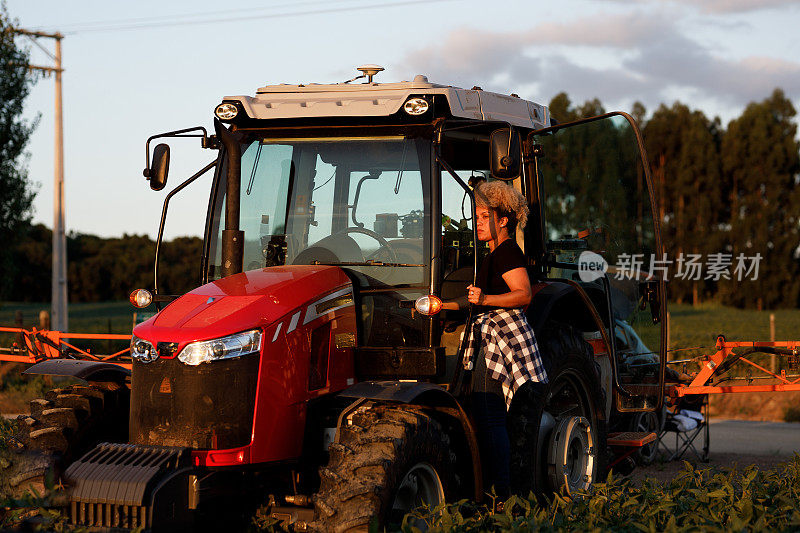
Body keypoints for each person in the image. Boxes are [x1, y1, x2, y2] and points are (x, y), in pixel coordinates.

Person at [442, 180, 548, 499]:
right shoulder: (492, 255)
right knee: (487, 415)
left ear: (503, 220)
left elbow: (523, 294)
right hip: (489, 339)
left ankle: (502, 494)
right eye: (476, 214)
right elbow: (475, 299)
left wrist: (486, 299)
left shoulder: (506, 253)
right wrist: (441, 306)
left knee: (490, 416)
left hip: (500, 341)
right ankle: (498, 490)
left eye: (485, 215)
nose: (478, 221)